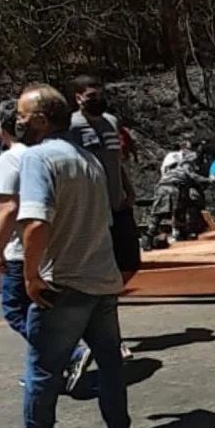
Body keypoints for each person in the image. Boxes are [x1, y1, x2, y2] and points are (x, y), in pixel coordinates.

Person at [0, 84, 134, 428]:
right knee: (109, 365)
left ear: (40, 120)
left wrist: (30, 276)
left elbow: (35, 222)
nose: (17, 122)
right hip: (101, 279)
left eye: (23, 116)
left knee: (42, 367)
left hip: (63, 282)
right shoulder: (87, 159)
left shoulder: (37, 159)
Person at [0, 99, 90, 390]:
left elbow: (9, 209)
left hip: (20, 248)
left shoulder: (10, 158)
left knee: (15, 309)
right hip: (53, 245)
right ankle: (53, 365)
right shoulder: (44, 154)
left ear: (2, 129)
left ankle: (67, 356)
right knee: (40, 311)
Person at [69, 75, 136, 360]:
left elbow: (115, 159)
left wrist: (127, 186)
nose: (97, 100)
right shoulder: (70, 127)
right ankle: (110, 340)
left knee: (131, 262)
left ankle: (100, 322)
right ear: (78, 98)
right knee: (103, 276)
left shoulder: (110, 121)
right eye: (90, 96)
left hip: (118, 205)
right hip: (94, 213)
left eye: (100, 94)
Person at [142, 146, 211, 250]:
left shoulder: (171, 170)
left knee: (157, 215)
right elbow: (193, 177)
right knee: (179, 212)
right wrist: (208, 180)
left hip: (161, 187)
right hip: (176, 187)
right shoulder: (186, 165)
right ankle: (180, 238)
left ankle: (148, 240)